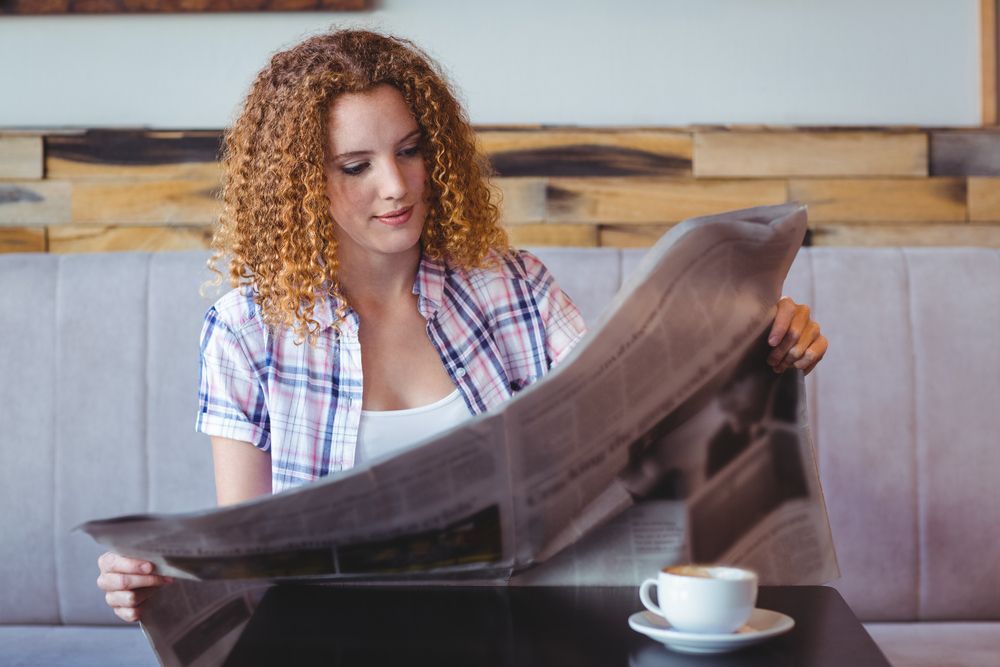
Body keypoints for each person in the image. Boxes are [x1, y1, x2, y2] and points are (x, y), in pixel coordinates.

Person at [96, 29, 829, 623]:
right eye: (356, 165)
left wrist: (760, 346)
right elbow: (241, 561)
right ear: (299, 186)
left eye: (411, 149)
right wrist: (156, 584)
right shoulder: (245, 332)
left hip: (506, 632)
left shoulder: (510, 288)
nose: (397, 184)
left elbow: (649, 420)